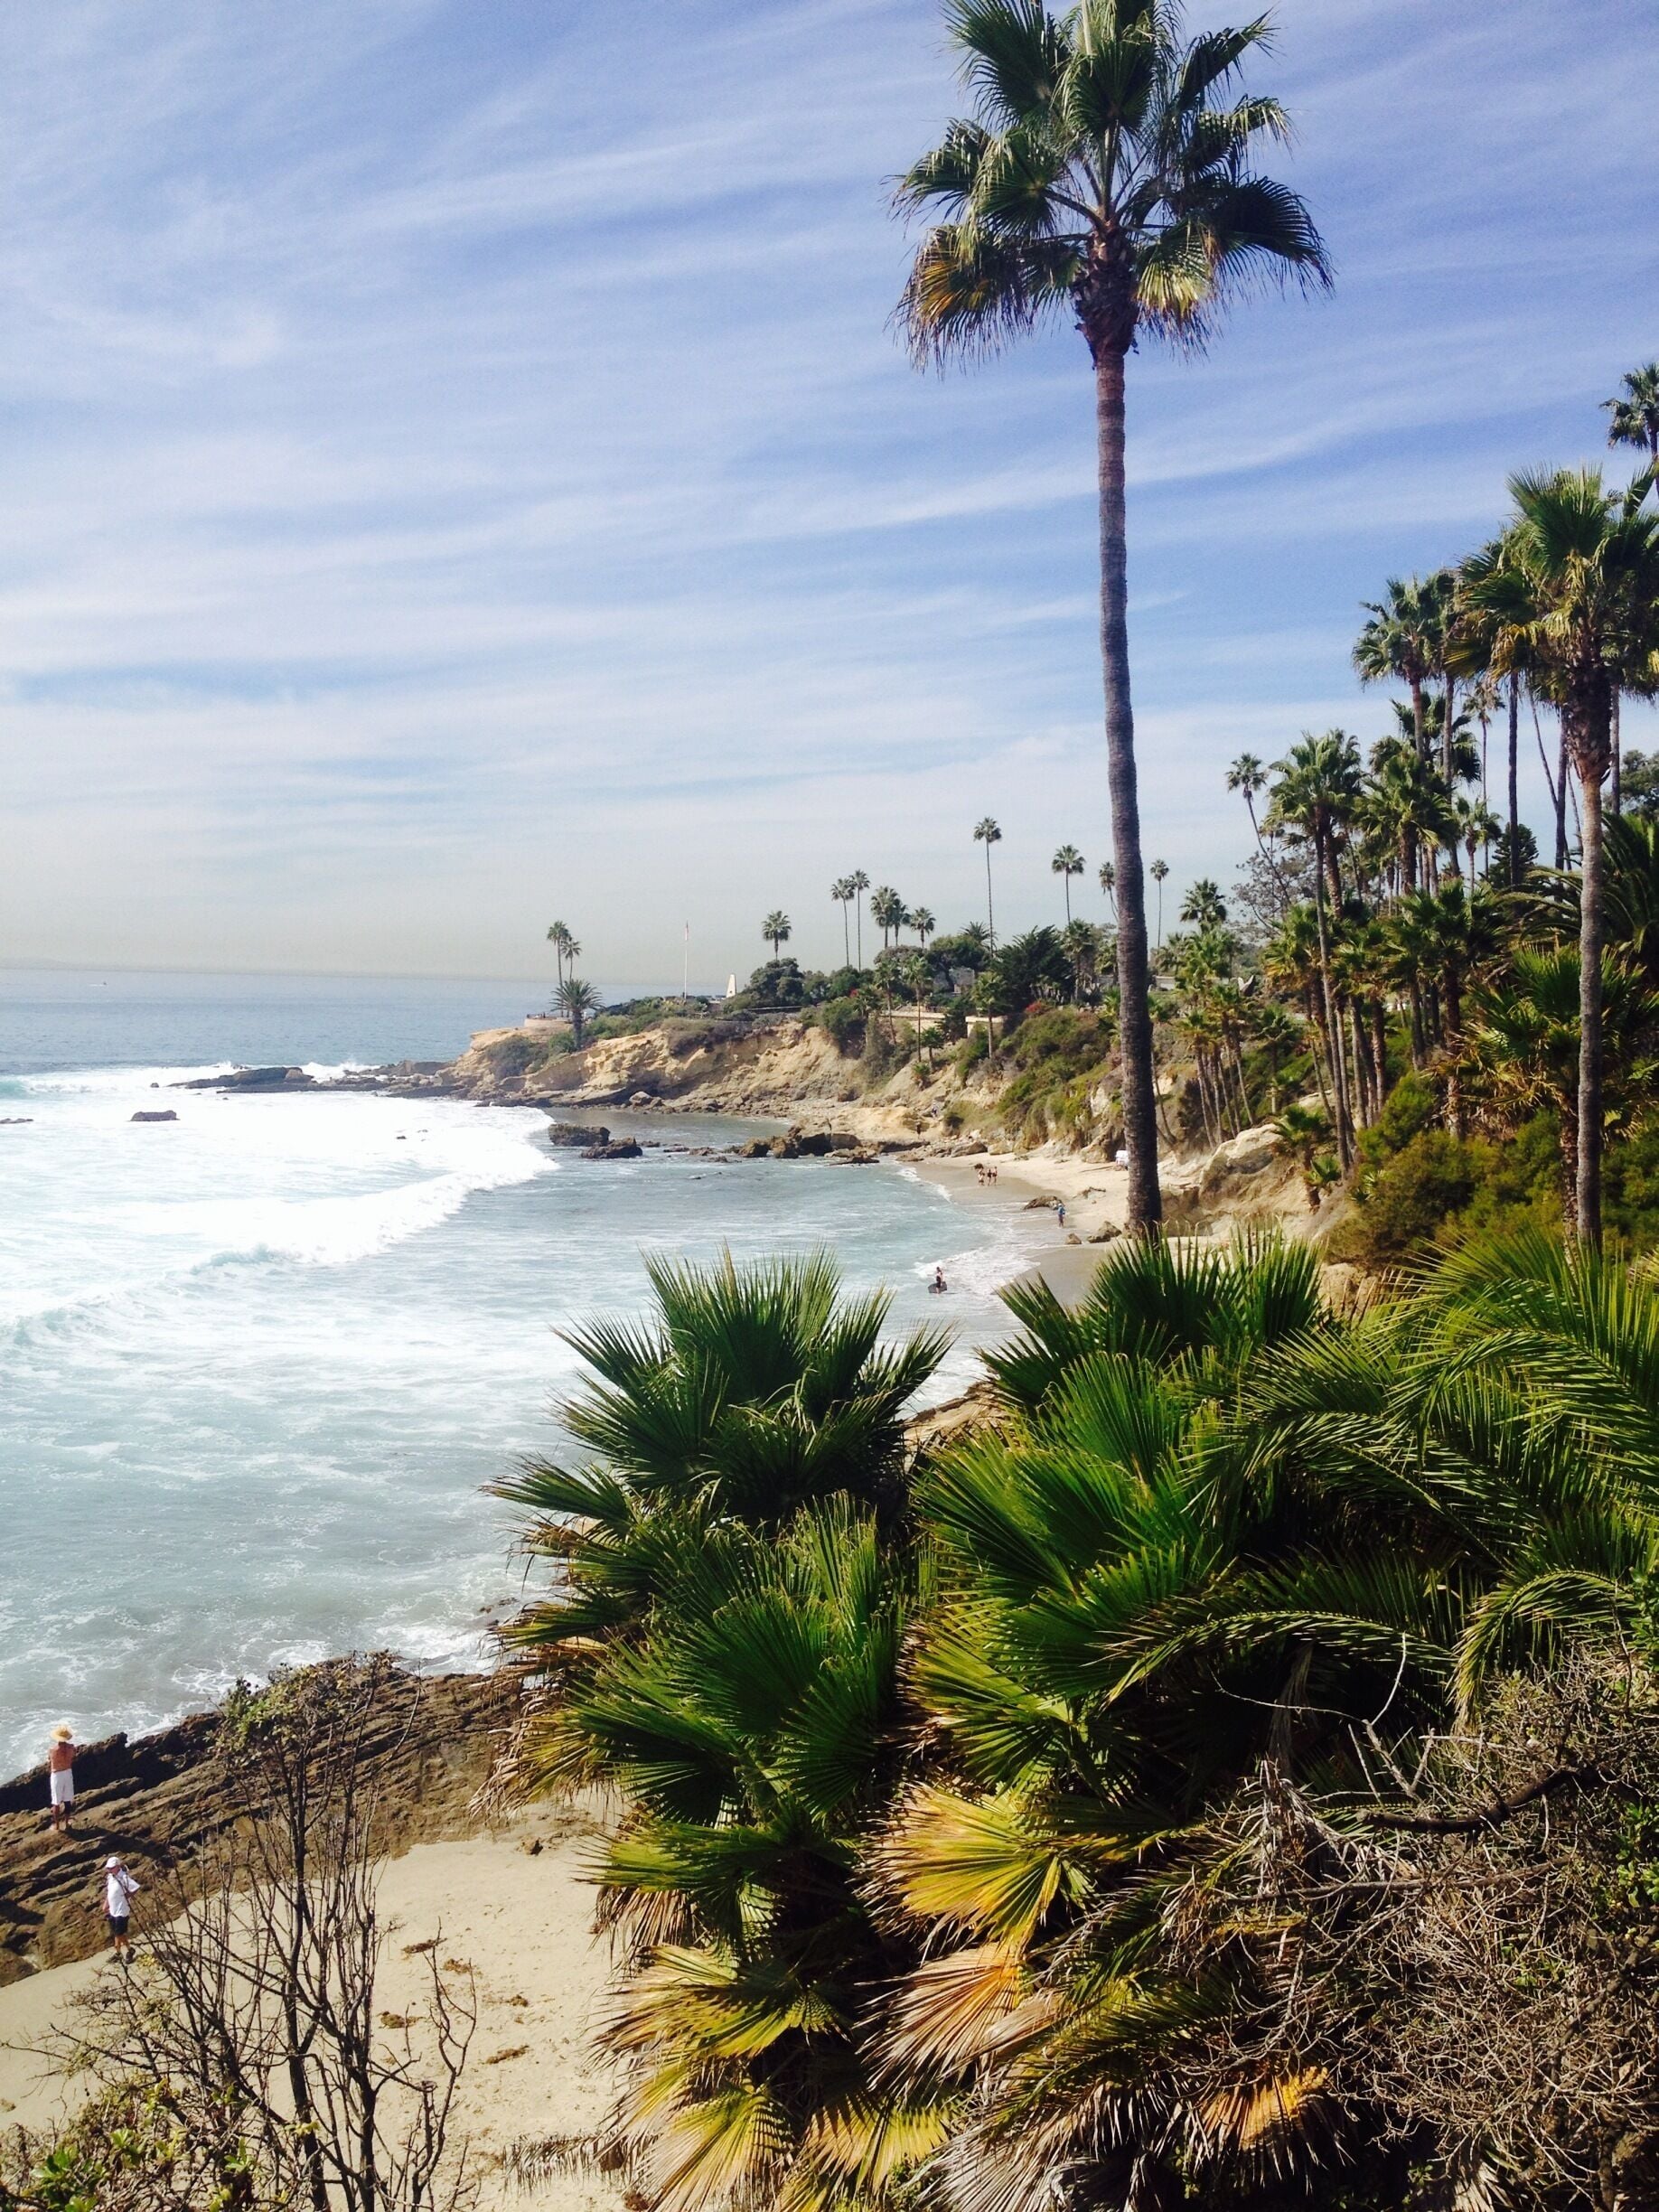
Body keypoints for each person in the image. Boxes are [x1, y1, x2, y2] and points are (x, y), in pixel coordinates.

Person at [104, 1855, 139, 1959]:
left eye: (112, 1868)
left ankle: (129, 1949)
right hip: (113, 1909)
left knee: (119, 1933)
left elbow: (135, 1887)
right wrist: (106, 1903)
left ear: (118, 1866)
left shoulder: (124, 1877)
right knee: (116, 1932)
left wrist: (127, 1896)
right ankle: (118, 1952)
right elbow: (110, 1892)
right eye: (108, 1868)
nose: (110, 1870)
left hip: (122, 1910)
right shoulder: (111, 1877)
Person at [47, 1724, 77, 1833]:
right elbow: (74, 1755)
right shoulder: (72, 1748)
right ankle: (67, 1822)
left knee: (56, 1802)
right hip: (68, 1773)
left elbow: (50, 1762)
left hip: (57, 1775)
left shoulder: (52, 1750)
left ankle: (57, 1826)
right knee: (67, 1800)